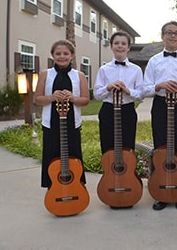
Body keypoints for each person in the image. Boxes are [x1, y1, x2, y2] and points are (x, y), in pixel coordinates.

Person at [143, 21, 177, 210]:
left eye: (176, 33)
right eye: (169, 32)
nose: (173, 36)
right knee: (160, 145)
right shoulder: (154, 61)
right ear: (162, 36)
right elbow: (145, 88)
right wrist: (159, 86)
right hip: (160, 104)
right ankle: (161, 192)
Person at [35, 39, 90, 188]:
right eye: (58, 53)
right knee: (51, 154)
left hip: (72, 123)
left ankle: (77, 185)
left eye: (66, 53)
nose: (62, 56)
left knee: (74, 154)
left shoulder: (79, 76)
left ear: (72, 55)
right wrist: (52, 97)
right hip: (51, 123)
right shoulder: (45, 74)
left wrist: (73, 98)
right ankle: (53, 187)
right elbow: (38, 98)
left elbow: (85, 100)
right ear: (52, 55)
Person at [93, 30, 143, 155]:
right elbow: (97, 95)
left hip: (127, 111)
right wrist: (108, 87)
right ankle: (109, 173)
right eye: (116, 43)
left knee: (127, 147)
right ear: (111, 46)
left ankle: (126, 174)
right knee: (107, 146)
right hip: (108, 111)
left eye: (123, 43)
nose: (119, 46)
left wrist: (127, 91)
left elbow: (141, 94)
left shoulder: (136, 70)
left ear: (128, 47)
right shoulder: (104, 69)